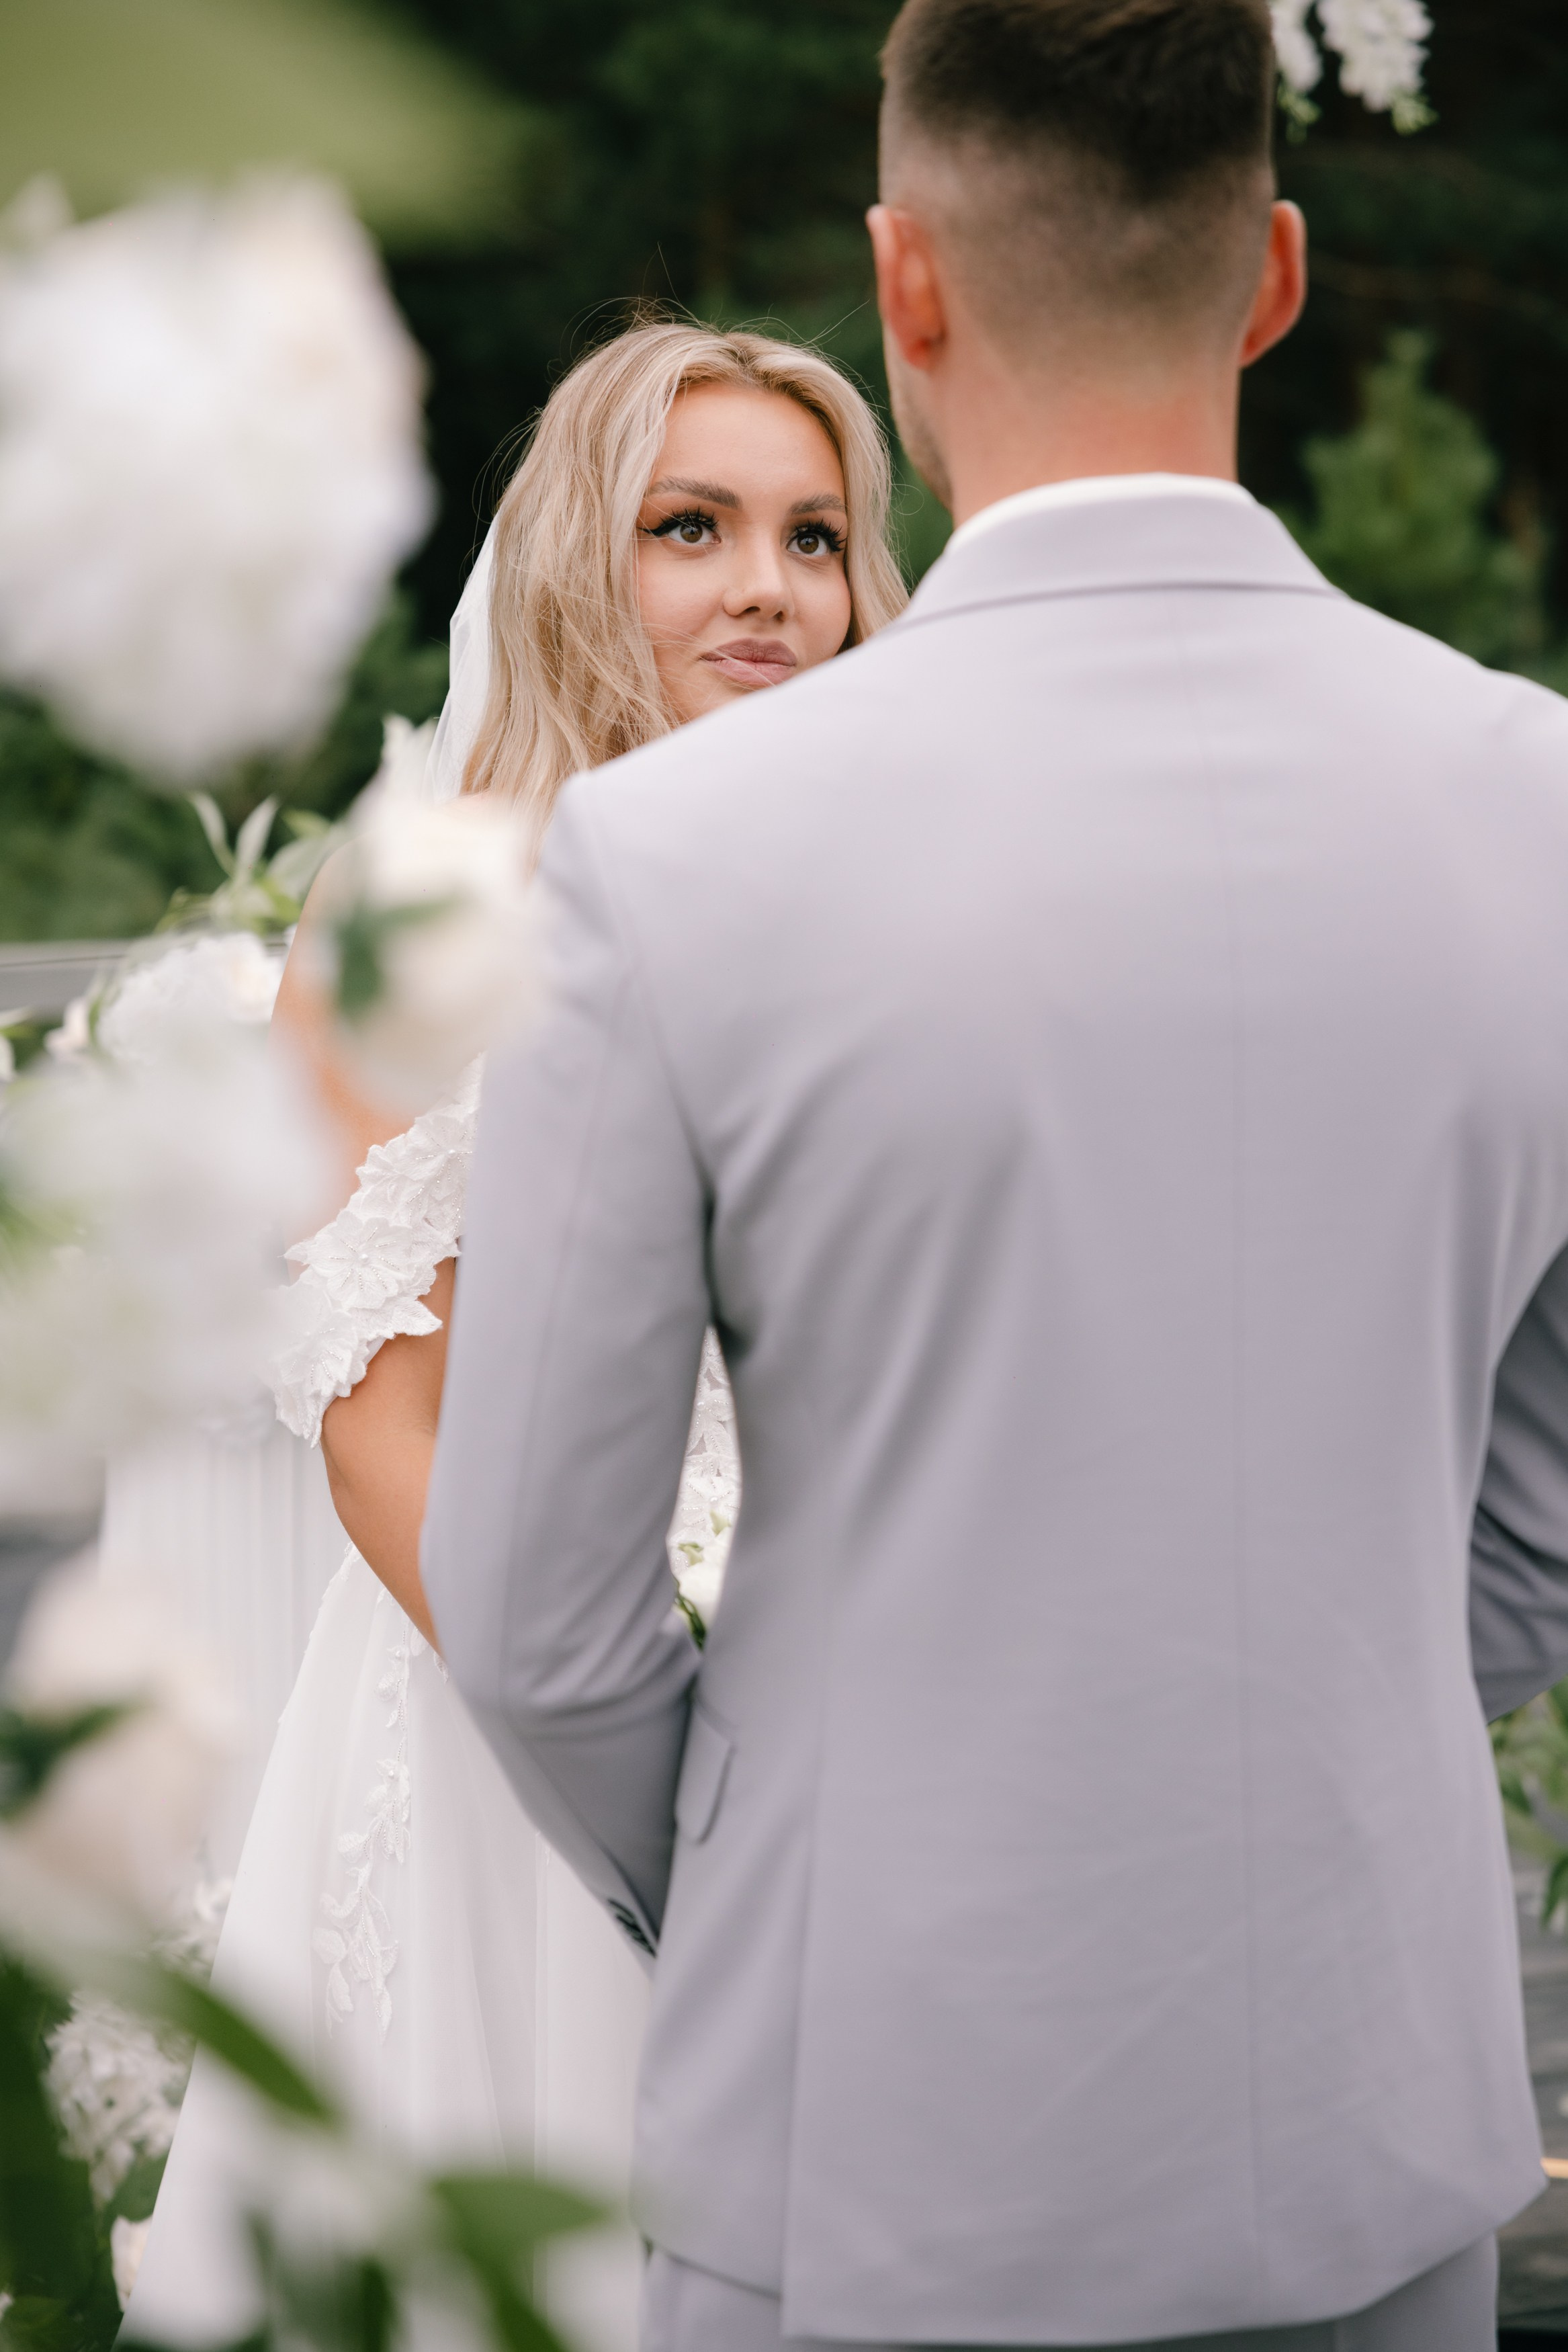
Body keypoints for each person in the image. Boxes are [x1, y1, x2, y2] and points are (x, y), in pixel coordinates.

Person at [421, 4, 1568, 2349]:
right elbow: (1541, 1526)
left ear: (904, 284)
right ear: (1272, 275)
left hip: (867, 2148)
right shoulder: (1538, 803)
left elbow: (540, 1629)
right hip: (1379, 2129)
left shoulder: (666, 858)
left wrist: (810, 1885)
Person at [124, 320, 906, 2349]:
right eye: (694, 526)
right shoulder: (426, 903)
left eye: (816, 536)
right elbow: (374, 1419)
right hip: (510, 1736)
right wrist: (663, 1774)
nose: (768, 583)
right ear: (579, 557)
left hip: (867, 1737)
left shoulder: (894, 896)